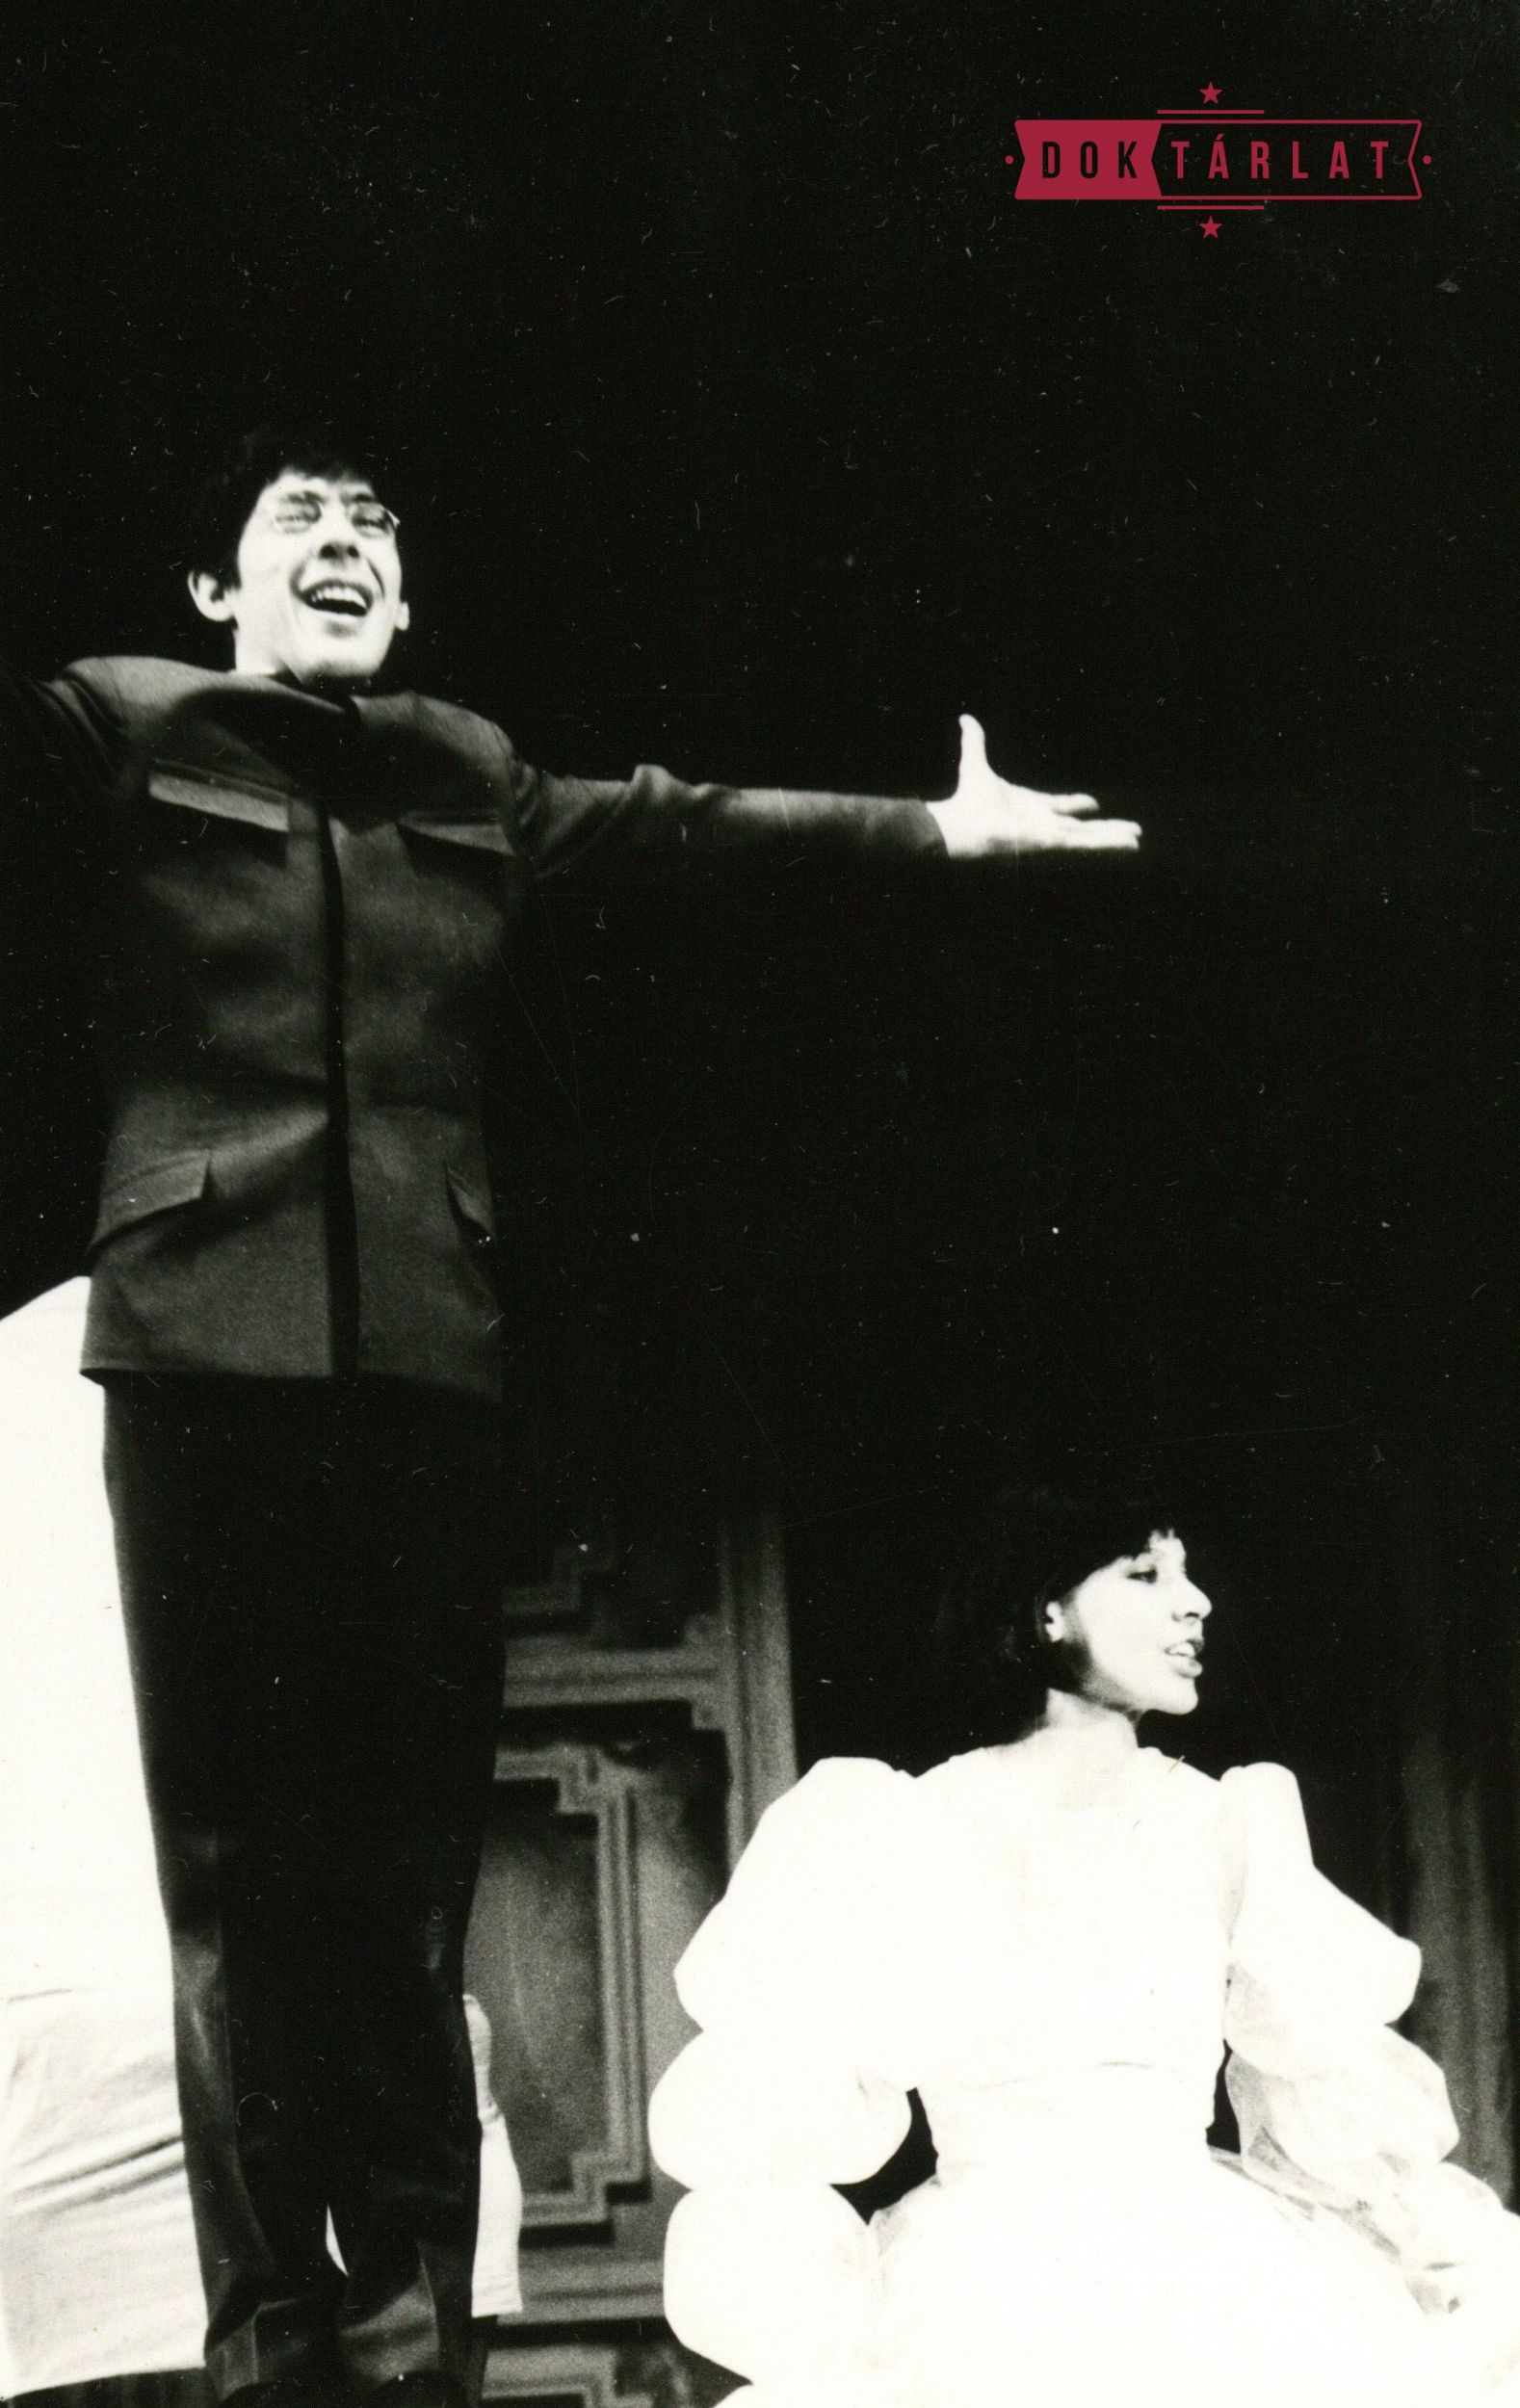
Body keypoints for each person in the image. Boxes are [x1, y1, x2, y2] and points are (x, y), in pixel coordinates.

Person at [0, 428, 1140, 2408]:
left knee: (402, 1878)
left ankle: (414, 2343)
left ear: (407, 590)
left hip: (422, 1357)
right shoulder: (119, 723)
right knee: (241, 1882)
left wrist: (933, 833)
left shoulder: (467, 766)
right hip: (194, 1346)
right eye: (300, 520)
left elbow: (687, 825)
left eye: (375, 525)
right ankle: (273, 2342)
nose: (344, 545)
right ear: (216, 588)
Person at [650, 1491, 1520, 2407]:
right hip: (979, 2299)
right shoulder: (904, 1825)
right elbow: (778, 2118)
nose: (1195, 1603)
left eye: (1188, 1575)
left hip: (1211, 2290)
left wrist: (1446, 2266)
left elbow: (1332, 2105)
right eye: (1146, 1575)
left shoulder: (1228, 1823)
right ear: (1048, 1611)